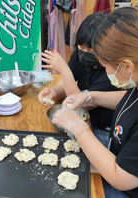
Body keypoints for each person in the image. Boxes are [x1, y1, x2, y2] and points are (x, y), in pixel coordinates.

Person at [53, 7, 138, 198]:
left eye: (106, 66)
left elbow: (120, 177)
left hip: (129, 189)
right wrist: (90, 96)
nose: (105, 71)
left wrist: (78, 127)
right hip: (115, 153)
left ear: (127, 66)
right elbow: (129, 102)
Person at [39, 12, 120, 147]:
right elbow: (64, 85)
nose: (83, 51)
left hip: (103, 129)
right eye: (81, 46)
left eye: (90, 49)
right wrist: (53, 92)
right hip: (86, 120)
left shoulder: (111, 70)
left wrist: (64, 71)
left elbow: (83, 105)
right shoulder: (78, 55)